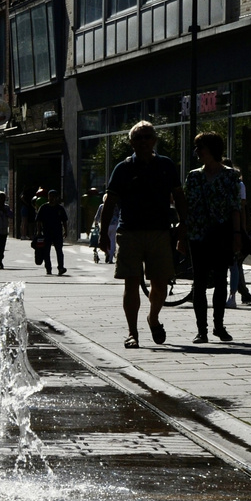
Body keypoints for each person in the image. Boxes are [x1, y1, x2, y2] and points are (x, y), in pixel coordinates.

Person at [101, 120, 188, 348]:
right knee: (131, 283)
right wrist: (102, 234)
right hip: (129, 232)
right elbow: (110, 202)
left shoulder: (166, 165)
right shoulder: (123, 169)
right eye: (138, 138)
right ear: (131, 142)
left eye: (147, 136)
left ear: (154, 140)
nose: (143, 141)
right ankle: (132, 333)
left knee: (159, 284)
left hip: (160, 232)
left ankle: (154, 318)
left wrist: (183, 228)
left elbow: (179, 197)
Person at [184, 133, 241, 344]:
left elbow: (235, 208)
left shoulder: (230, 176)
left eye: (201, 148)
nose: (197, 152)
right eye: (196, 148)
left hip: (221, 234)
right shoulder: (193, 176)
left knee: (220, 280)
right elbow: (187, 209)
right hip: (197, 235)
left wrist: (236, 235)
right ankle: (202, 330)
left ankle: (218, 326)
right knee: (198, 283)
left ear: (213, 150)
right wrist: (182, 235)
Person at [36, 190, 68, 275]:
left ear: (56, 197)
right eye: (50, 196)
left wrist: (65, 230)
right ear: (48, 197)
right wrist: (39, 232)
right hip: (46, 232)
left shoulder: (60, 208)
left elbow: (64, 221)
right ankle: (48, 268)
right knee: (46, 251)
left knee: (59, 251)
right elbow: (39, 221)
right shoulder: (43, 207)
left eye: (54, 196)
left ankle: (60, 267)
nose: (52, 198)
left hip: (57, 232)